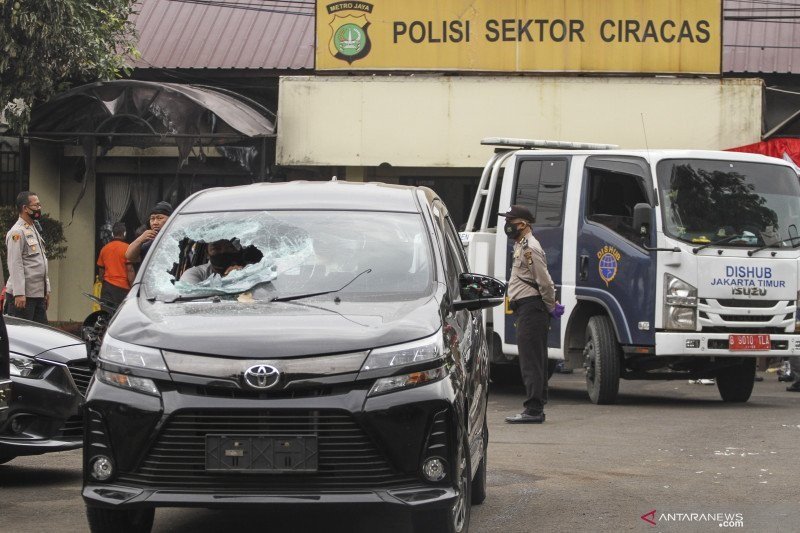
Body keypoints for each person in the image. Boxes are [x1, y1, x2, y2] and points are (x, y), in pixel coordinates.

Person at [500, 205, 562, 424]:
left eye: (511, 221)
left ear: (523, 224)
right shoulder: (521, 245)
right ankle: (536, 407)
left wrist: (550, 305)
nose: (507, 225)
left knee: (531, 360)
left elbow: (544, 281)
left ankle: (534, 409)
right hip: (528, 307)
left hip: (532, 307)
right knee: (534, 357)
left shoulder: (530, 248)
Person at [4, 191, 50, 324]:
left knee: (41, 336)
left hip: (37, 294)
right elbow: (15, 263)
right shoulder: (17, 232)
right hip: (23, 297)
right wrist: (19, 293)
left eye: (39, 205)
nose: (39, 208)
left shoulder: (33, 228)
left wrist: (47, 290)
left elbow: (41, 261)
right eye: (36, 205)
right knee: (22, 336)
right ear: (25, 208)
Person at [96, 222, 133, 307]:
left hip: (107, 288)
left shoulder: (104, 249)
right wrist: (133, 286)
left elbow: (101, 272)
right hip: (123, 289)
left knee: (106, 315)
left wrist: (103, 283)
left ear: (112, 234)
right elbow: (130, 270)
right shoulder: (128, 248)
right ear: (124, 233)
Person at [179, 239, 245, 283]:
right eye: (216, 248)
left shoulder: (249, 269)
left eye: (228, 247)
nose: (222, 251)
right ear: (207, 254)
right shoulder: (193, 274)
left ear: (236, 250)